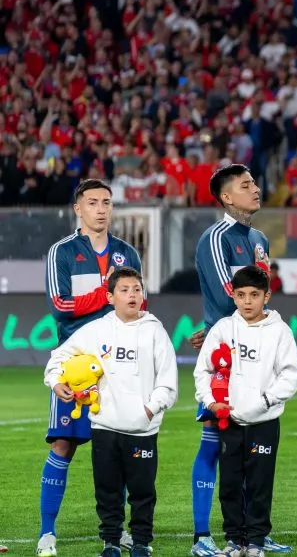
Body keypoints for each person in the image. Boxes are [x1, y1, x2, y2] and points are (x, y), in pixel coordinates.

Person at [189, 164, 292, 556]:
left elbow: (262, 297)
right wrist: (218, 332)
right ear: (227, 197)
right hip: (225, 357)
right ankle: (203, 537)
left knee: (253, 449)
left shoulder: (260, 238)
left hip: (256, 355)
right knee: (215, 443)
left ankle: (253, 533)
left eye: (254, 182)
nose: (255, 188)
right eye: (245, 185)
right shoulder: (215, 238)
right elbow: (231, 292)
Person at [39, 179, 143, 557]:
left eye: (107, 203)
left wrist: (121, 302)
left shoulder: (128, 253)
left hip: (120, 364)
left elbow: (136, 306)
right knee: (63, 444)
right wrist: (106, 292)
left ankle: (119, 533)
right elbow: (60, 306)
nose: (102, 209)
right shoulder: (61, 252)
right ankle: (46, 533)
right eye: (93, 202)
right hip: (75, 363)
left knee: (123, 448)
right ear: (77, 209)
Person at [43, 267, 176, 557]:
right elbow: (59, 356)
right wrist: (55, 382)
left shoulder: (155, 331)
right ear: (110, 296)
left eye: (137, 290)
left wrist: (149, 409)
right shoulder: (96, 330)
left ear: (143, 295)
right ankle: (111, 542)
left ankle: (141, 542)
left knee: (142, 492)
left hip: (142, 429)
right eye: (125, 290)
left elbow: (169, 382)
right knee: (107, 490)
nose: (132, 295)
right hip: (104, 426)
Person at [194, 266, 297, 557]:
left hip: (264, 421)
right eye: (241, 295)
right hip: (229, 420)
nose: (247, 302)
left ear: (266, 296)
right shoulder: (223, 329)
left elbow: (290, 375)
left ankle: (255, 541)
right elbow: (203, 370)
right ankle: (234, 539)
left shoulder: (279, 331)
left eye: (254, 295)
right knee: (229, 483)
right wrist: (210, 401)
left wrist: (265, 401)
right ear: (233, 295)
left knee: (259, 483)